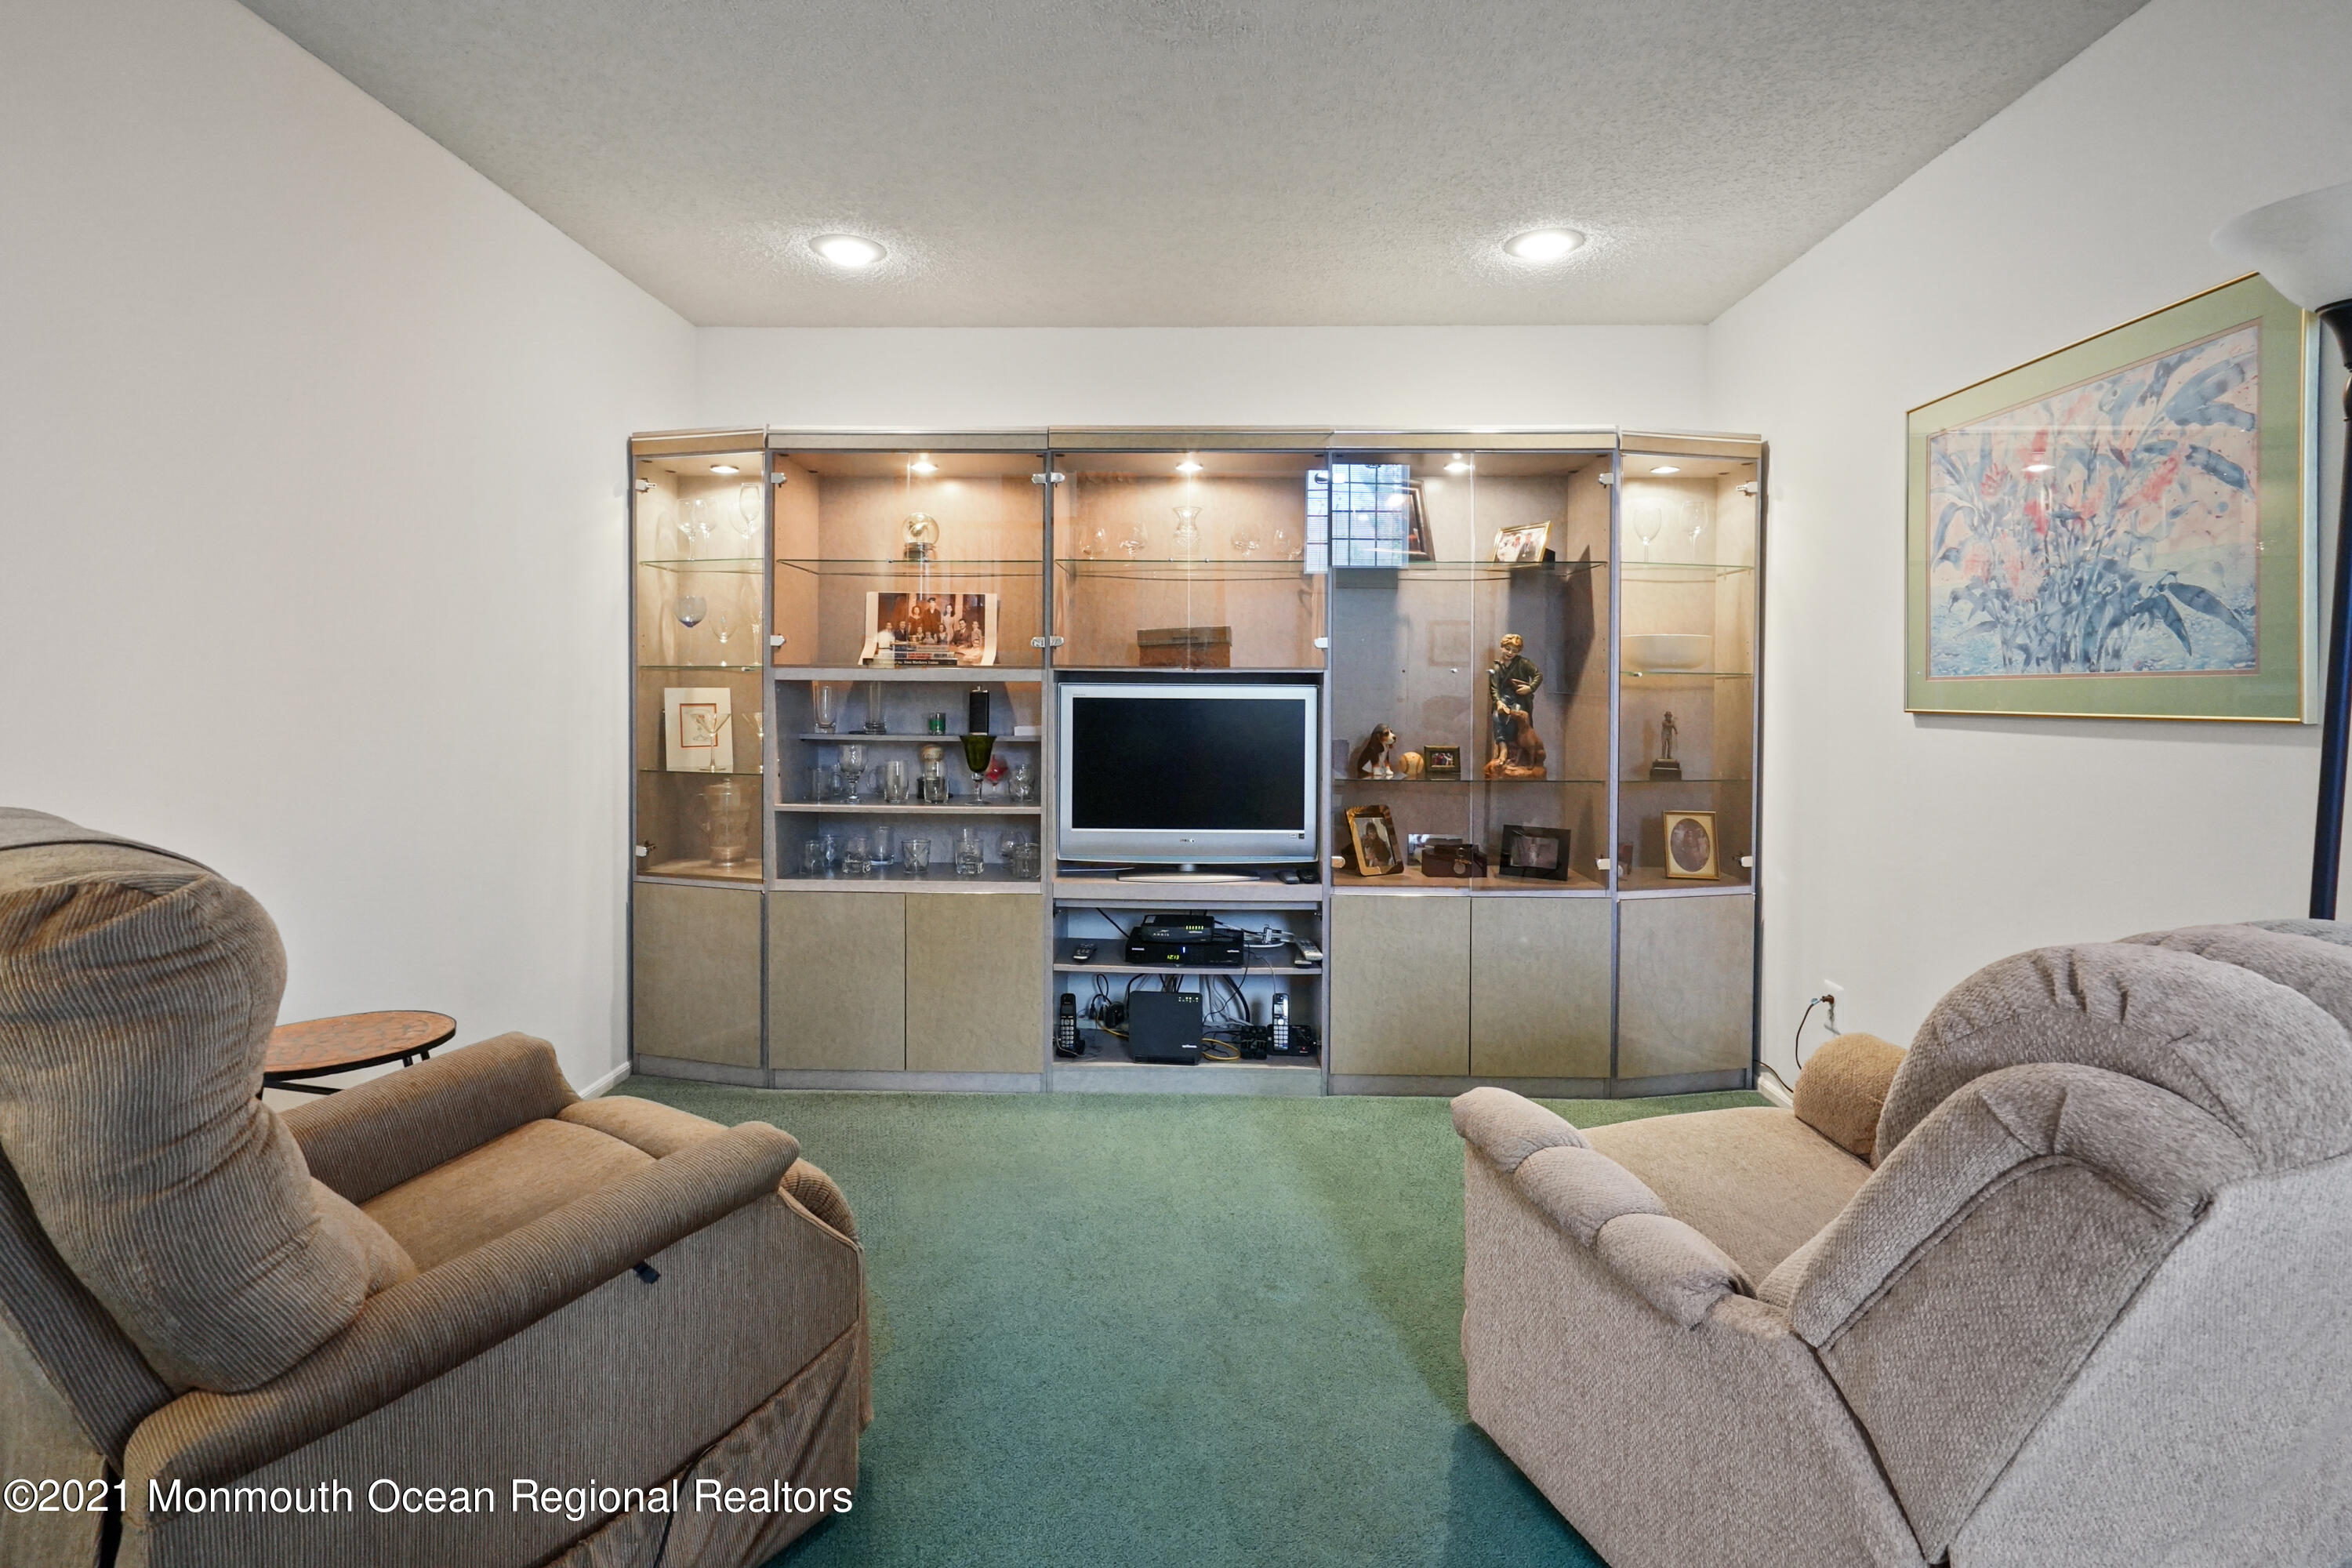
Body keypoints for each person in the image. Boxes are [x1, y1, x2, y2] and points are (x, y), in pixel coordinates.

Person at [1485, 633, 1546, 779]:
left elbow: (1538, 675)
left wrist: (1530, 688)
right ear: (1502, 647)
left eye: (1515, 650)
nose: (1511, 653)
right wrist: (1499, 702)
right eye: (1508, 648)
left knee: (1516, 718)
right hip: (1504, 699)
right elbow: (1494, 688)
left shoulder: (1523, 663)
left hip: (1520, 699)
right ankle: (1503, 747)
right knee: (1497, 716)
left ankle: (1517, 755)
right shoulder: (1497, 667)